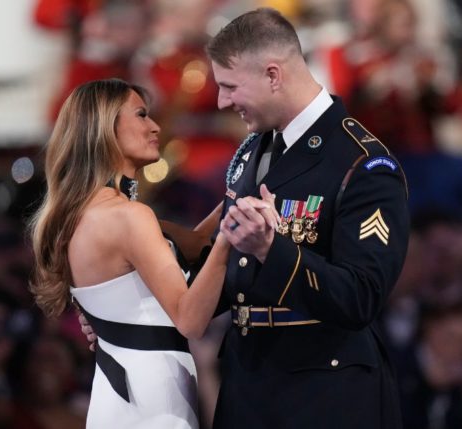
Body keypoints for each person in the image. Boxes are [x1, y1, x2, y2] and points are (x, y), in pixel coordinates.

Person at [28, 78, 277, 428]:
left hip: (122, 395)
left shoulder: (87, 213)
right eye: (141, 115)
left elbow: (192, 243)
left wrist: (241, 197)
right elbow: (190, 320)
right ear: (104, 128)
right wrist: (227, 242)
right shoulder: (129, 218)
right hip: (152, 399)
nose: (155, 126)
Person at [209, 8, 410, 429]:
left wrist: (270, 248)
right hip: (248, 387)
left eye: (229, 86)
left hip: (325, 395)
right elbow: (223, 266)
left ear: (273, 75)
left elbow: (361, 296)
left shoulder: (363, 163)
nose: (221, 101)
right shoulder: (254, 148)